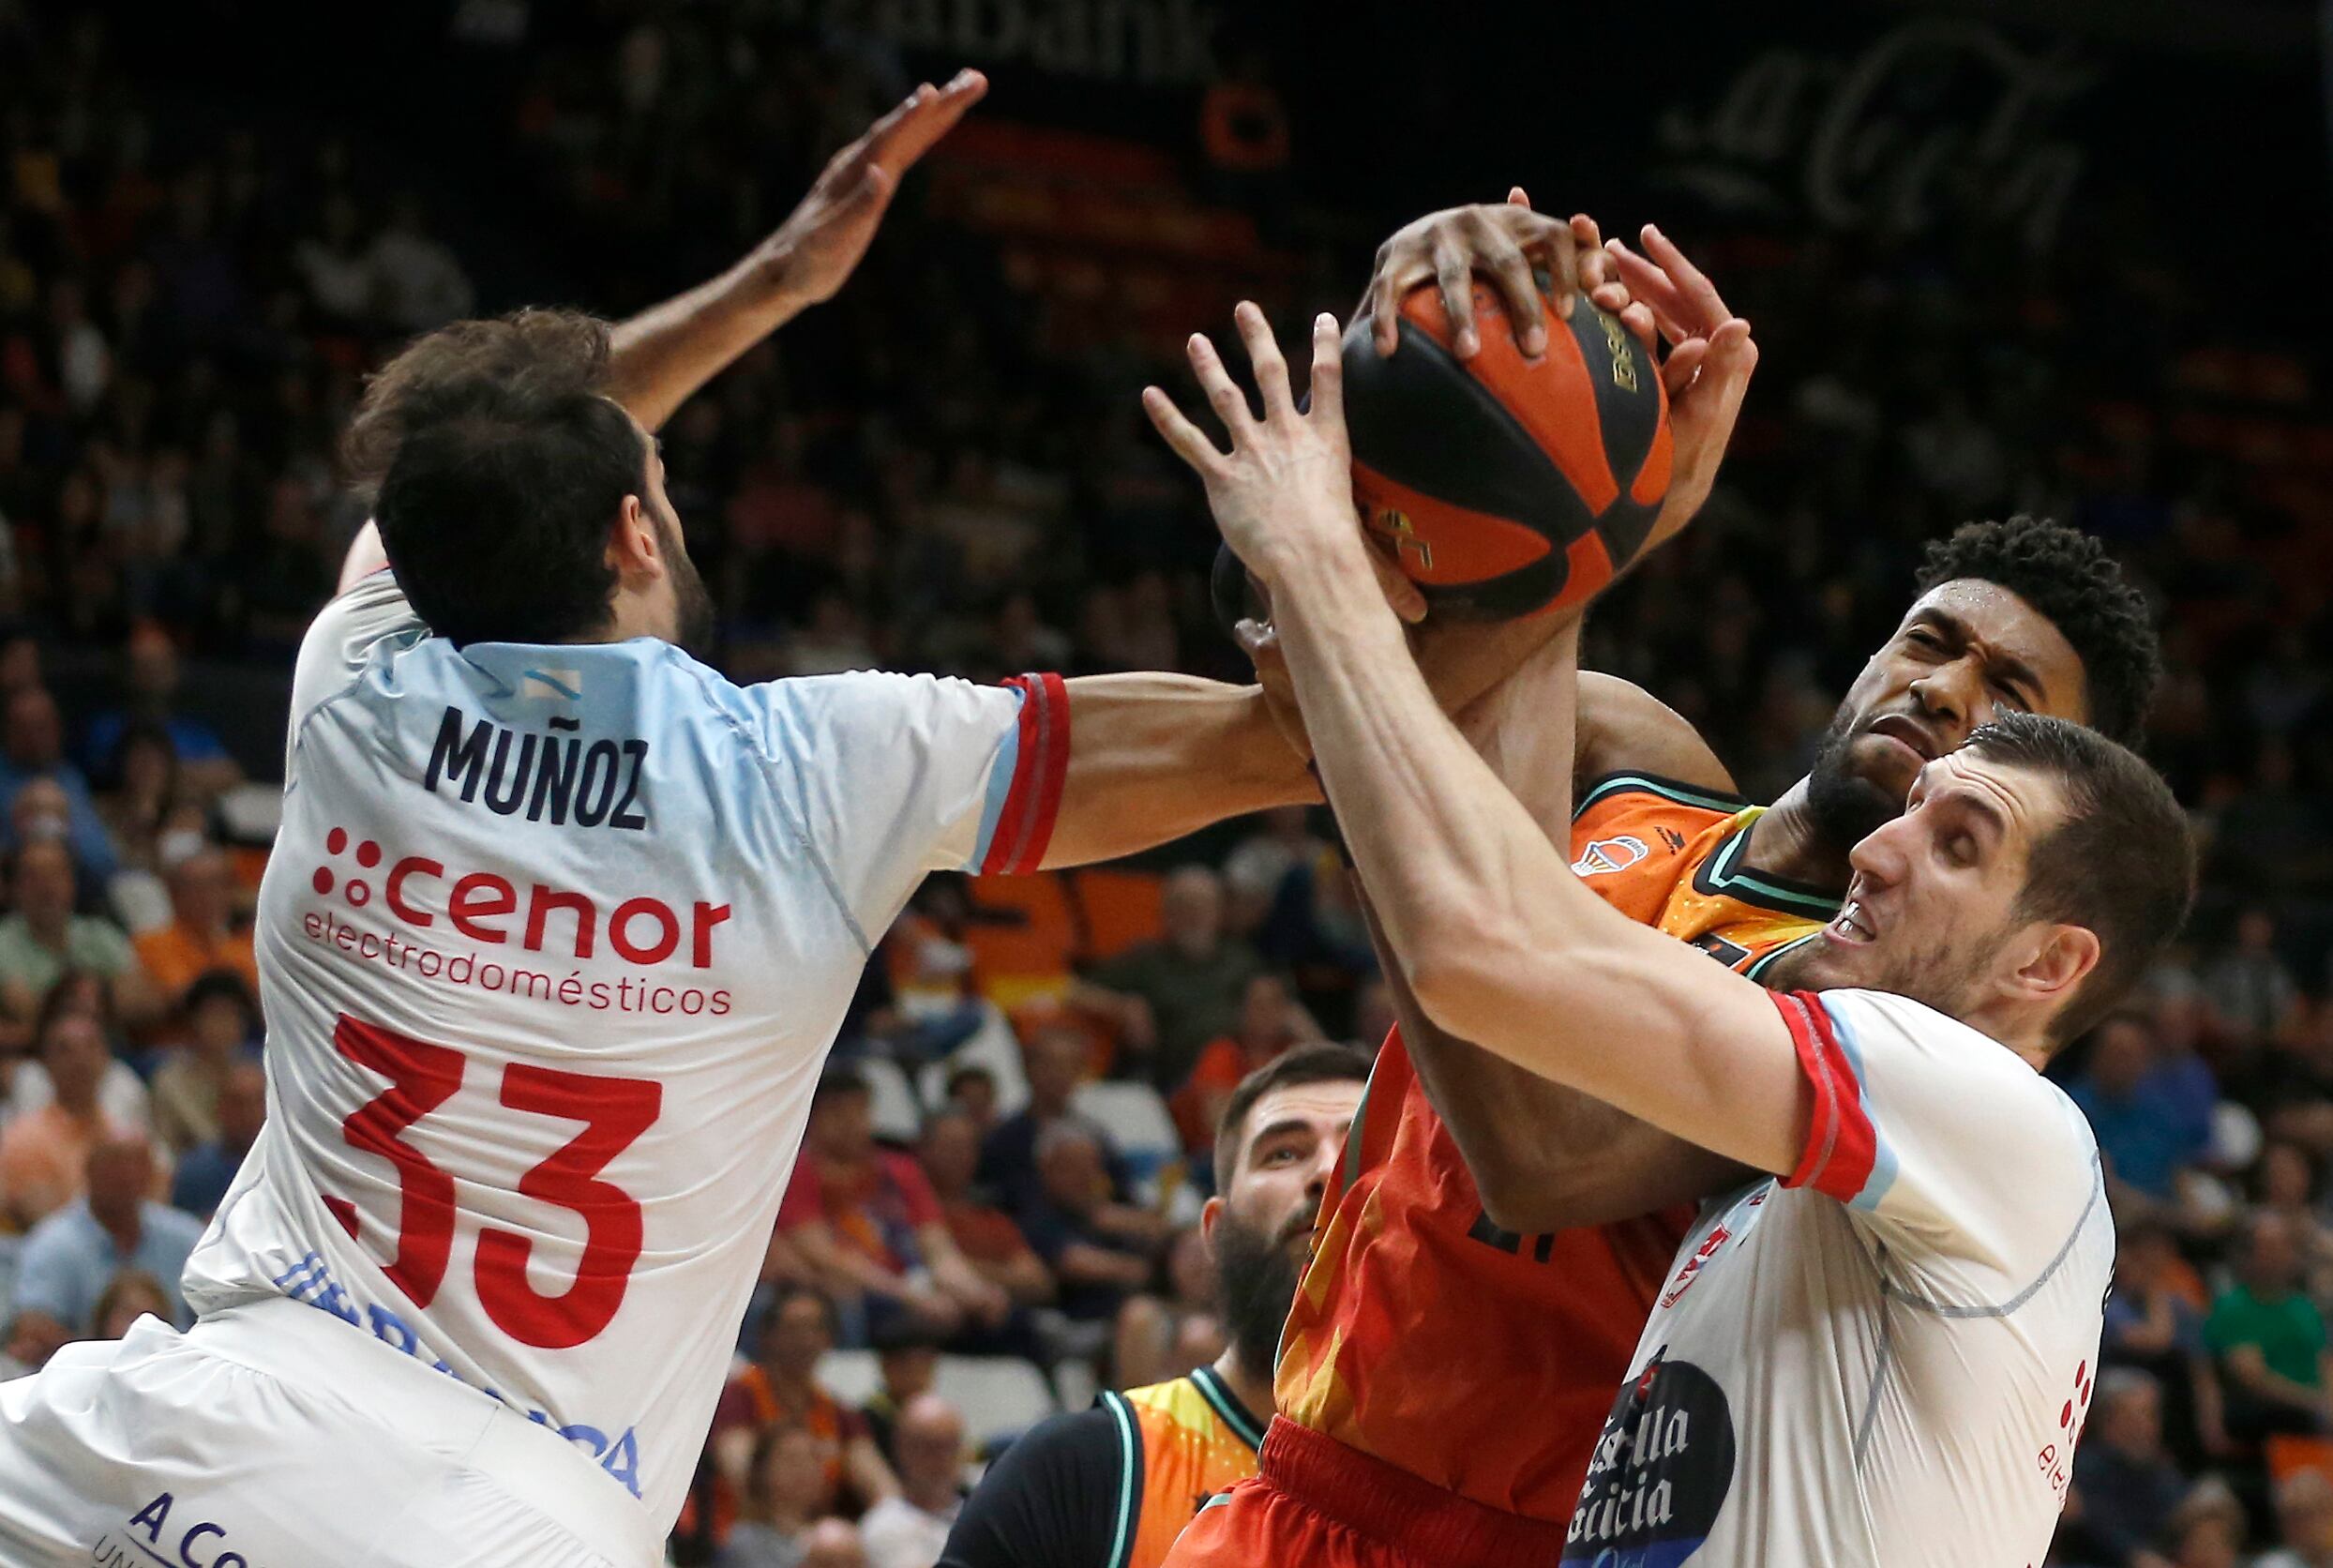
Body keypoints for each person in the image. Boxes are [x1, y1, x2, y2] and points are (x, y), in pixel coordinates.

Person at [0, 75, 1457, 1568]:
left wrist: (771, 284)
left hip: (179, 1423)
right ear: (637, 529)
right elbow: (1286, 746)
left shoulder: (351, 686)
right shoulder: (819, 769)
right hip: (508, 1519)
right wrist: (1366, 548)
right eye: (659, 482)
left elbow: (477, 465)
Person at [1167, 202, 2167, 1563]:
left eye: (2007, 698)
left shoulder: (1876, 1018)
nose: (1944, 690)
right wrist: (1451, 329)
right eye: (1931, 642)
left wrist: (1581, 547)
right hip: (1297, 1474)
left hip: (1505, 1529)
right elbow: (1346, 665)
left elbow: (1532, 1142)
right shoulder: (1638, 757)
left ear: (2056, 775)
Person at [941, 1047, 1366, 1568]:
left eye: (1362, 1147)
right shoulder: (1083, 1472)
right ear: (1214, 1232)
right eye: (1283, 1152)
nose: (1328, 1170)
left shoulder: (1488, 1472)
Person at [776, 1064, 1010, 1346]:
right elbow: (825, 1256)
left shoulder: (902, 1170)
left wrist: (975, 1290)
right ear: (813, 1117)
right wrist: (909, 1295)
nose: (851, 1122)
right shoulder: (798, 1173)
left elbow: (939, 1251)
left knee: (1001, 1316)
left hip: (913, 1286)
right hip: (866, 1293)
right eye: (838, 1112)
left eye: (859, 1110)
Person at [711, 1287, 899, 1525]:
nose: (805, 1340)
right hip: (748, 1531)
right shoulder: (739, 1397)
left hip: (820, 1540)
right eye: (793, 1328)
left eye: (815, 1329)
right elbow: (742, 1477)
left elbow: (883, 1489)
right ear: (768, 1336)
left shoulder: (838, 1411)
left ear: (830, 1339)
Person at [1072, 867, 1264, 1092]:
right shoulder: (1147, 960)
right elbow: (1074, 990)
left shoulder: (1241, 960)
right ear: (1166, 914)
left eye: (1203, 906)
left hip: (1244, 1068)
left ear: (1219, 913)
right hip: (1178, 1079)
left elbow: (1284, 1007)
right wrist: (1121, 1007)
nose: (1194, 915)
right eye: (1183, 906)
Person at [11, 1132, 204, 1336]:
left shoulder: (185, 1236)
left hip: (180, 1361)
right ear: (89, 1172)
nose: (128, 1176)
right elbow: (33, 1324)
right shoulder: (53, 1245)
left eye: (138, 1166)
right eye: (115, 1167)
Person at [0, 1009, 145, 1228]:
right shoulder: (24, 1139)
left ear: (107, 1058)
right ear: (46, 1063)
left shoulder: (127, 1135)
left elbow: (149, 1211)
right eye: (65, 1050)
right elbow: (46, 1225)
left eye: (91, 1046)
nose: (81, 1060)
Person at [0, 838, 159, 1033]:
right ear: (14, 887)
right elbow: (28, 1011)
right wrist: (101, 993)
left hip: (111, 1050)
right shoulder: (4, 943)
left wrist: (63, 998)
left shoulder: (100, 933)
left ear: (72, 882)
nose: (47, 887)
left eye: (56, 874)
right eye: (33, 877)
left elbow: (147, 1002)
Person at [2205, 1210, 2333, 1443]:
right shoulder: (2233, 1308)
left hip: (2316, 1415)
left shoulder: (2304, 1307)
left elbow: (2325, 1362)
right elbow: (2253, 1379)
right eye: (2270, 1248)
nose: (2280, 1256)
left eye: (2284, 1247)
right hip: (2269, 1419)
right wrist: (2317, 1403)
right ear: (2248, 1256)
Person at [916, 1108, 1051, 1315]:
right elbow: (918, 1269)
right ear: (923, 1150)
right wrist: (1002, 1275)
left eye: (968, 1147)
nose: (961, 1156)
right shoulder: (910, 1215)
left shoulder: (992, 1219)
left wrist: (965, 1269)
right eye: (951, 1146)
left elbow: (1039, 1283)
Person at [2062, 1367, 2189, 1568]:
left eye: (2152, 1415)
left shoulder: (2162, 1473)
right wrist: (2133, 1556)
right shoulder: (2080, 1472)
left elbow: (2177, 1522)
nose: (2148, 1427)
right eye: (2138, 1415)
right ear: (2107, 1419)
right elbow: (2086, 1521)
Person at [146, 967, 262, 1155]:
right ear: (194, 1021)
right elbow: (165, 1146)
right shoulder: (171, 1080)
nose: (222, 1025)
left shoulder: (259, 1072)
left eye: (231, 1015)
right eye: (214, 1015)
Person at [131, 842, 259, 1009]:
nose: (210, 896)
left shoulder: (246, 946)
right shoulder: (152, 944)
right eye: (199, 887)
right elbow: (185, 996)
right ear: (174, 893)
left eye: (218, 885)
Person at [715, 1425, 847, 1568]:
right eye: (792, 1459)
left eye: (813, 1458)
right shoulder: (744, 1542)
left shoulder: (841, 1536)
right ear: (762, 1472)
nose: (805, 1468)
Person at [858, 1394, 967, 1568]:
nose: (941, 1459)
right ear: (901, 1449)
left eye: (949, 1446)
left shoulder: (979, 1519)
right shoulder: (880, 1527)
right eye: (929, 1447)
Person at [169, 1058, 265, 1219]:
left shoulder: (294, 1166)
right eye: (238, 1103)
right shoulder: (195, 1171)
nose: (249, 1113)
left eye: (258, 1102)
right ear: (220, 1108)